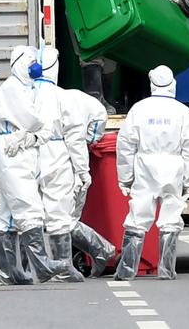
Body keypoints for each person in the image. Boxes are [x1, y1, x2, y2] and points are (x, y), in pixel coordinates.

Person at [114, 65, 189, 281]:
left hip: (145, 165)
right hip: (174, 166)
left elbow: (125, 144)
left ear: (151, 84)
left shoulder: (139, 109)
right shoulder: (183, 112)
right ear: (173, 84)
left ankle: (126, 269)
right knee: (171, 216)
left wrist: (125, 177)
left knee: (138, 216)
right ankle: (166, 269)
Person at [0, 46, 65, 283]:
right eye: (31, 61)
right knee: (29, 208)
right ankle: (42, 266)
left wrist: (35, 132)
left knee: (8, 215)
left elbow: (40, 126)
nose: (36, 65)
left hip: (22, 152)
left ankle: (9, 273)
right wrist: (37, 128)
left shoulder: (28, 88)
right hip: (12, 153)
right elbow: (34, 120)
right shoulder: (12, 88)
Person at [35, 46, 88, 282]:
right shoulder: (63, 97)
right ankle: (63, 268)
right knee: (58, 212)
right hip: (56, 155)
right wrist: (82, 170)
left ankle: (29, 268)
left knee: (28, 214)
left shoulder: (24, 94)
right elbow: (75, 137)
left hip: (27, 156)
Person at [61, 81, 116, 277]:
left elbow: (83, 139)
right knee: (61, 217)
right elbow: (88, 138)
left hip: (66, 168)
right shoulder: (85, 105)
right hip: (67, 166)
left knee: (61, 218)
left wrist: (82, 171)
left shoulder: (81, 107)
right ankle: (97, 251)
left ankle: (100, 249)